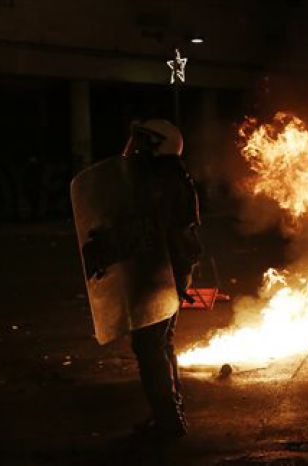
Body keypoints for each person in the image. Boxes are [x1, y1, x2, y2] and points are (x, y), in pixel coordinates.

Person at [122, 119, 201, 437]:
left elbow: (149, 228)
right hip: (171, 268)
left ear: (158, 145)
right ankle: (170, 414)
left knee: (149, 344)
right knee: (161, 342)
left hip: (162, 269)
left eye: (143, 142)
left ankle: (168, 419)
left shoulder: (161, 179)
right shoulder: (171, 174)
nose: (136, 148)